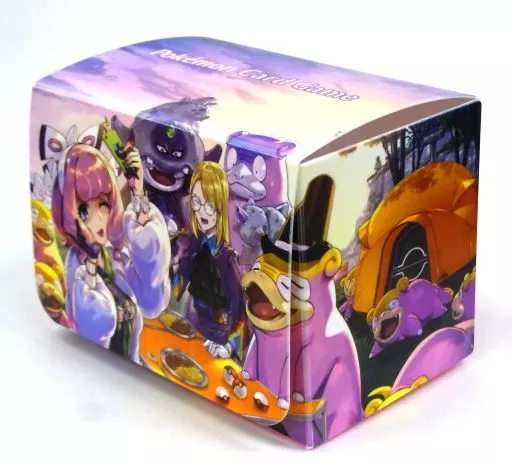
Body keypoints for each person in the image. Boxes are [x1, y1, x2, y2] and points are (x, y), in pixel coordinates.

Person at [52, 143, 171, 363]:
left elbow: (151, 299)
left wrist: (138, 191)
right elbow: (90, 329)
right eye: (84, 210)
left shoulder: (115, 255)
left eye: (104, 204)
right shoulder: (77, 268)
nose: (99, 219)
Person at [175, 161, 246, 358]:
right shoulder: (195, 242)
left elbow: (242, 313)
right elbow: (180, 282)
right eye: (196, 202)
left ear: (220, 206)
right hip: (190, 327)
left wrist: (229, 346)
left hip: (216, 341)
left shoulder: (228, 260)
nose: (201, 212)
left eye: (209, 205)